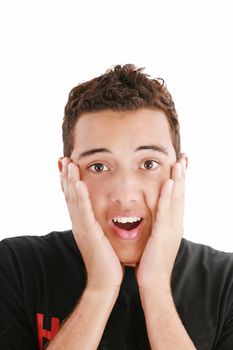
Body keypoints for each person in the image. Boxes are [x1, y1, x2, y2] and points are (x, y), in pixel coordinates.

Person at [0, 64, 233, 350]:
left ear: (179, 172)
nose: (125, 194)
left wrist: (157, 289)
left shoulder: (226, 283)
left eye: (148, 164)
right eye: (99, 166)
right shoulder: (16, 268)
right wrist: (100, 288)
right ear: (66, 175)